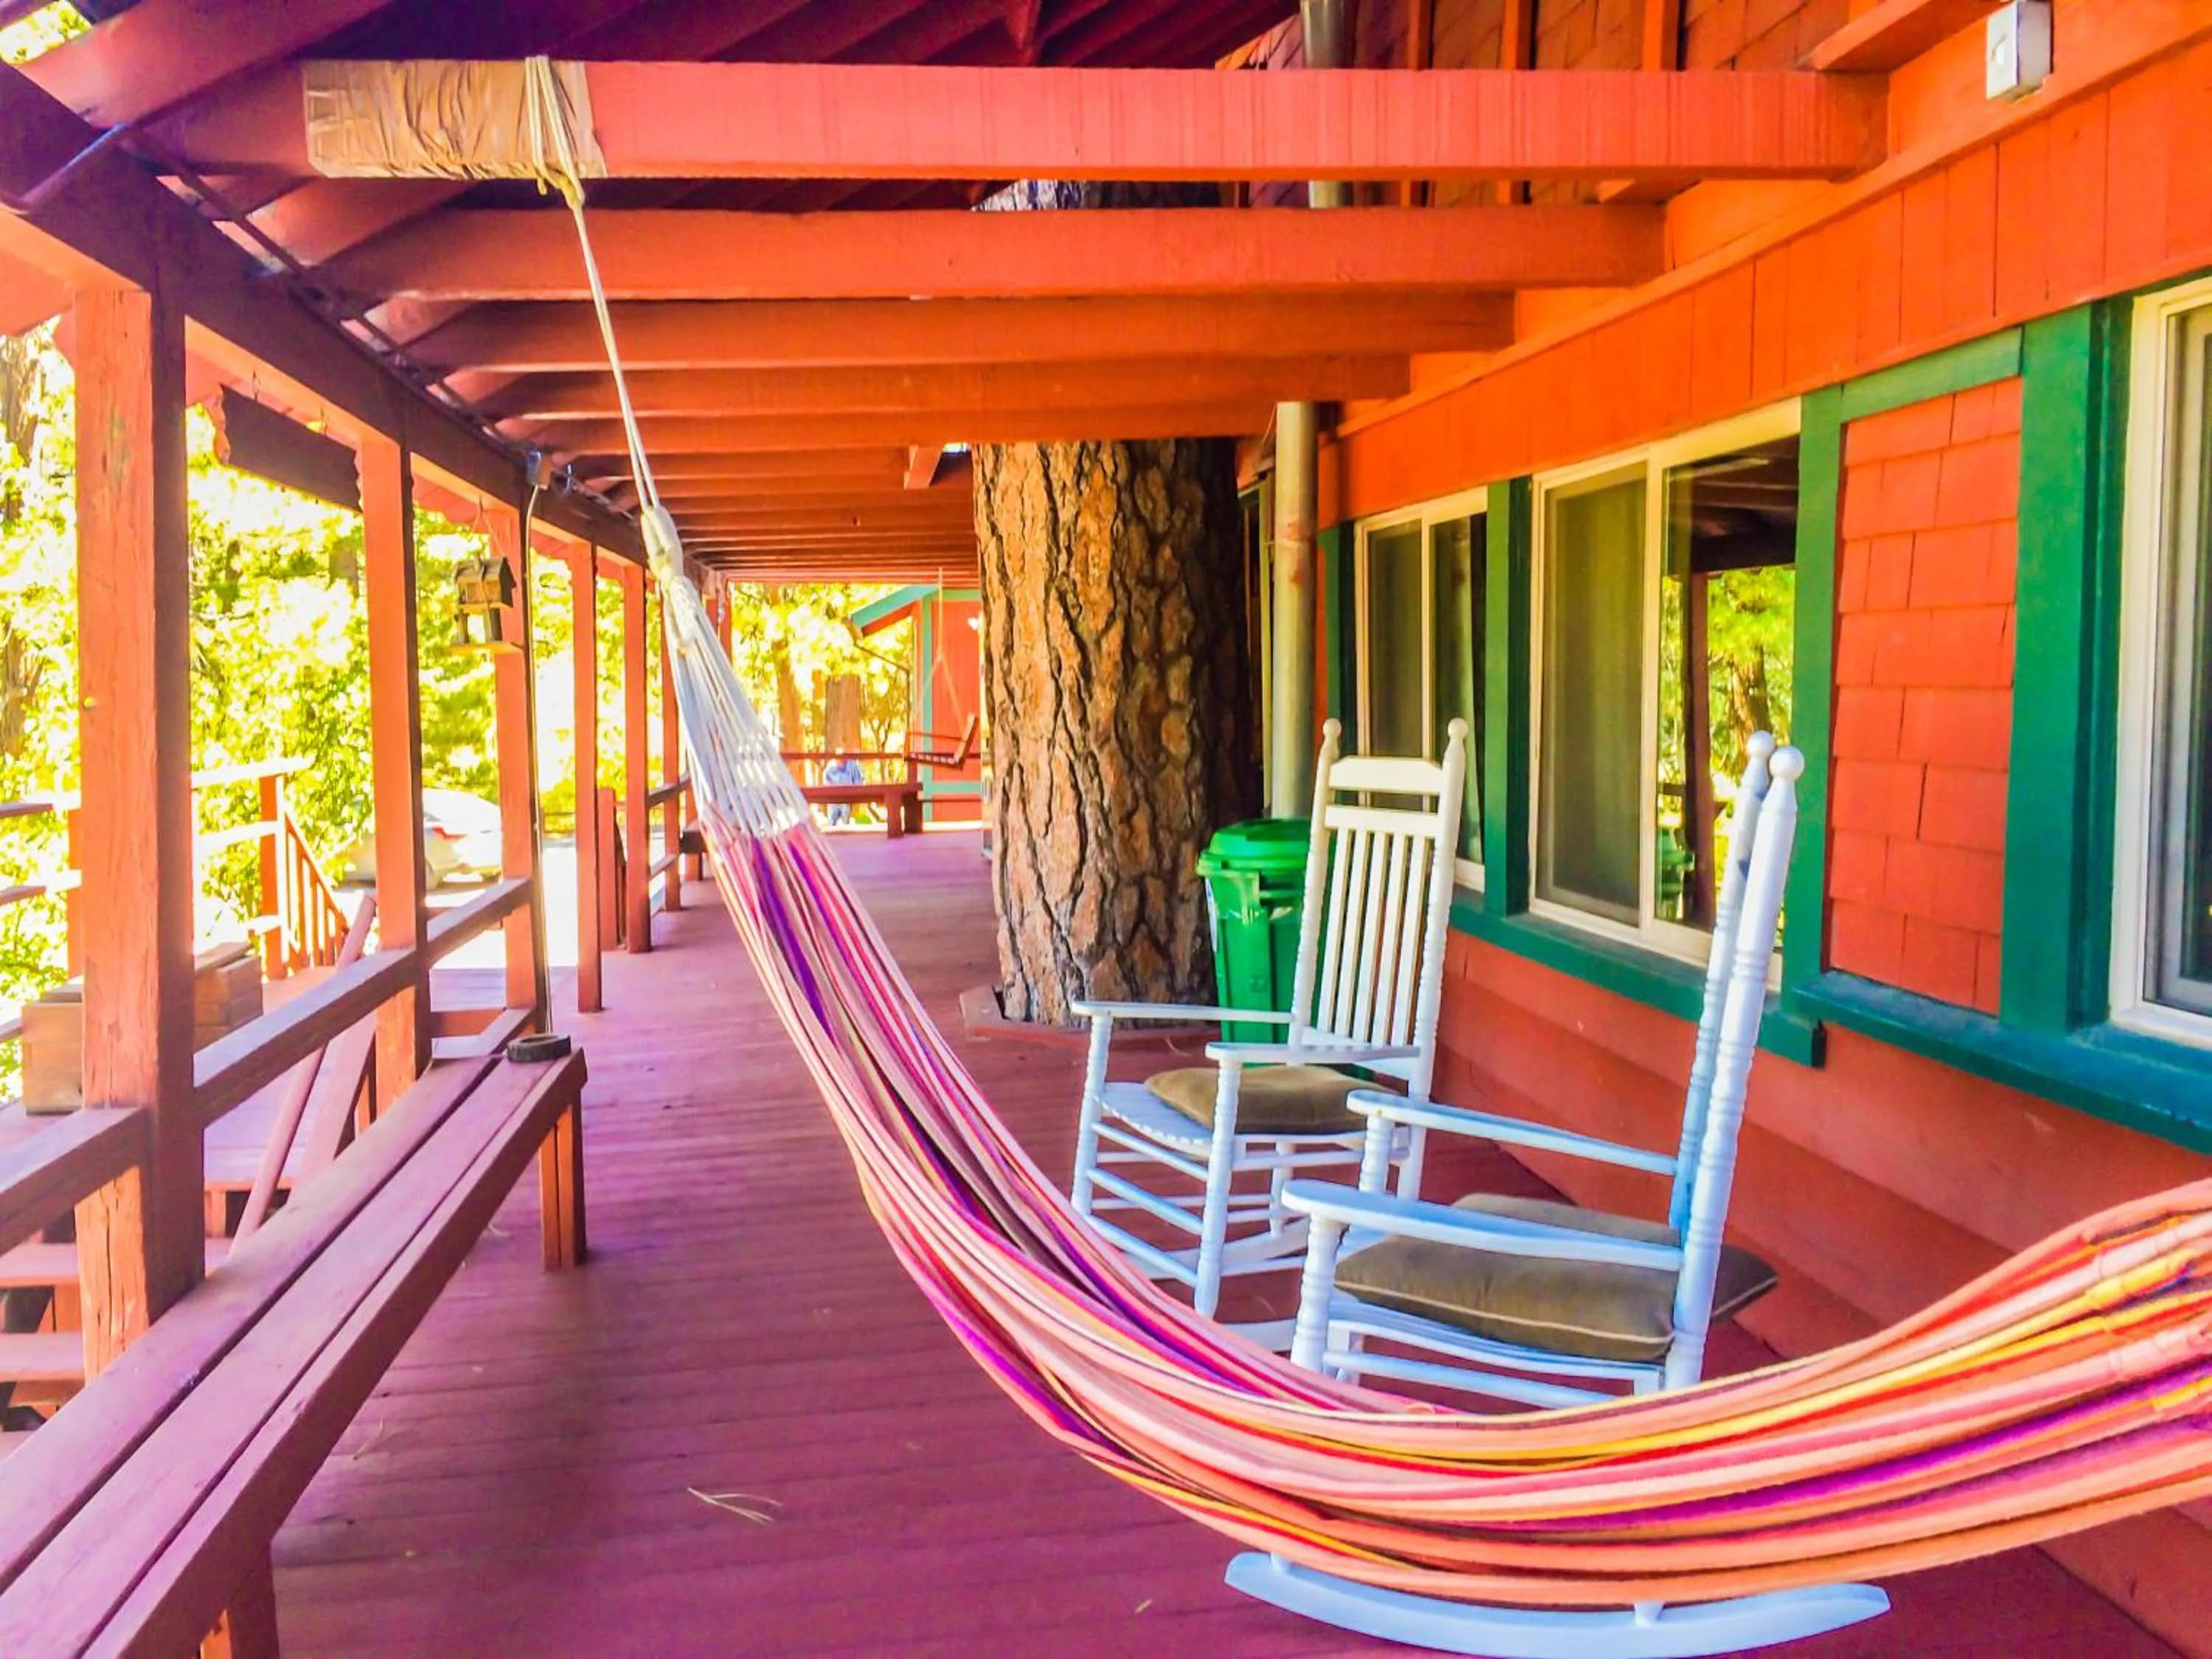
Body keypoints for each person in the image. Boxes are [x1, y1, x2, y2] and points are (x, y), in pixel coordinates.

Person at [823, 751, 863, 826]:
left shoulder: (853, 766)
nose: (841, 759)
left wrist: (854, 794)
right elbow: (826, 781)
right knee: (832, 820)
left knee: (845, 818)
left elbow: (858, 782)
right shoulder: (830, 766)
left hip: (847, 798)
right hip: (833, 799)